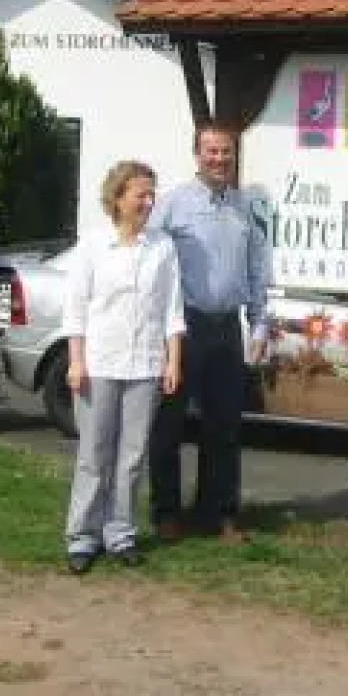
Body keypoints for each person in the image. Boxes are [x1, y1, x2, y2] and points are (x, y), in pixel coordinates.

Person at [148, 124, 271, 545]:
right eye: (211, 151)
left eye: (226, 152)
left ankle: (217, 513)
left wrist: (259, 322)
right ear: (197, 155)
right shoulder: (172, 206)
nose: (219, 159)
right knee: (169, 423)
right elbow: (150, 263)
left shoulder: (244, 208)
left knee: (225, 427)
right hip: (184, 328)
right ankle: (166, 512)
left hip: (226, 328)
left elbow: (257, 266)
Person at [61, 160, 186, 574]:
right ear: (118, 199)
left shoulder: (162, 247)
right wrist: (76, 361)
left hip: (145, 366)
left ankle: (120, 533)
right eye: (140, 195)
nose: (148, 202)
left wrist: (172, 360)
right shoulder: (93, 247)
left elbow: (172, 309)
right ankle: (82, 536)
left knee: (131, 458)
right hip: (99, 364)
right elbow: (76, 309)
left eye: (152, 194)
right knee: (95, 456)